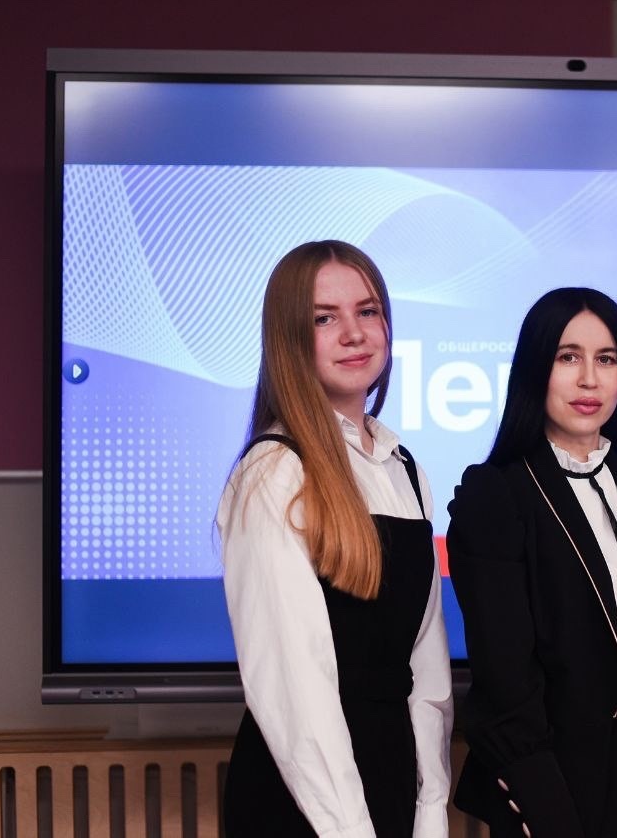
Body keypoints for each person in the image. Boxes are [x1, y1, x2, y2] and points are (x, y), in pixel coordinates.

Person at [447, 287, 617, 838]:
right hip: (563, 765)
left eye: (606, 360)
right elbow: (505, 680)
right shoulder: (497, 494)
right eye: (568, 357)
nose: (590, 380)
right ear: (534, 369)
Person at [216, 240, 452, 838]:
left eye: (368, 311)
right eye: (324, 318)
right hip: (304, 802)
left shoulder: (404, 468)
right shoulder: (273, 473)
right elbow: (293, 684)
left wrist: (431, 807)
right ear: (289, 339)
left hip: (390, 778)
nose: (354, 333)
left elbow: (425, 666)